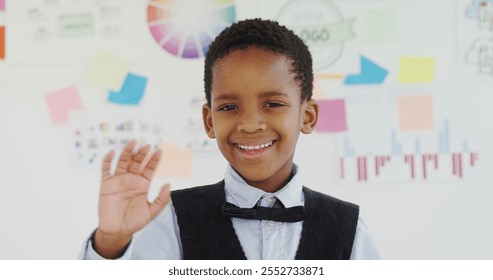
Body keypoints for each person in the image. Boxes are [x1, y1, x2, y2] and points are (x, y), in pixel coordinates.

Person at [81, 18, 380, 260]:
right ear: (210, 121)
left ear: (308, 116)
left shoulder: (348, 228)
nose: (249, 124)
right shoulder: (173, 219)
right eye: (229, 107)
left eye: (272, 104)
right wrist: (111, 241)